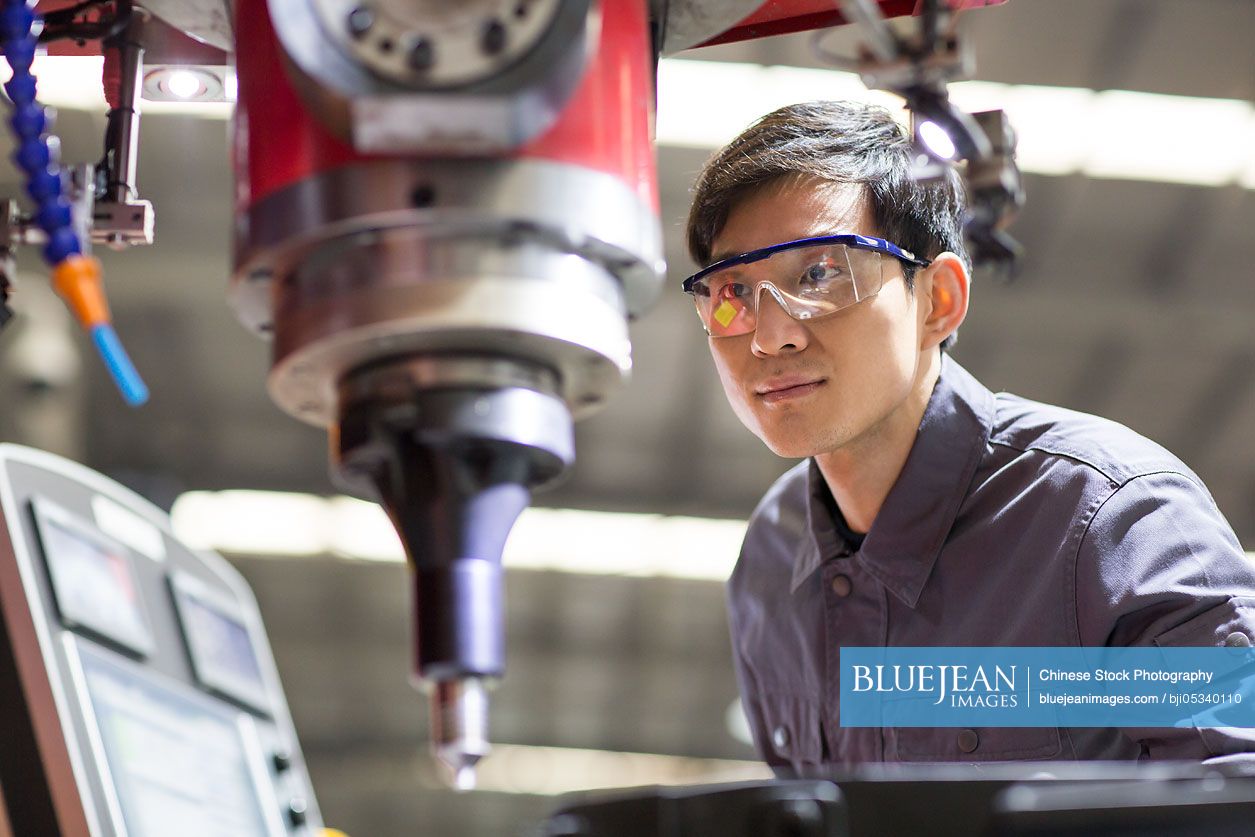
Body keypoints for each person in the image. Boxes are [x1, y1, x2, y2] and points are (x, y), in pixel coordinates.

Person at [682, 100, 1255, 775]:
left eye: (819, 273)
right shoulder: (770, 563)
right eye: (733, 290)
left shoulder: (1112, 521)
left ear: (938, 299)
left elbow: (1230, 799)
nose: (768, 333)